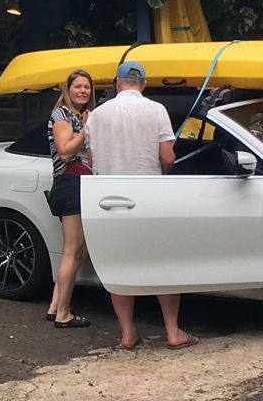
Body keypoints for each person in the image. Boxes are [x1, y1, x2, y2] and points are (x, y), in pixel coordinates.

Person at [86, 61, 198, 351]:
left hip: (108, 198)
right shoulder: (156, 110)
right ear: (143, 84)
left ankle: (127, 334)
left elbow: (89, 159)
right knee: (162, 262)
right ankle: (173, 332)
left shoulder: (97, 114)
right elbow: (168, 157)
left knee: (118, 265)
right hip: (149, 195)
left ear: (117, 82)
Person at [44, 69, 95, 329]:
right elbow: (65, 153)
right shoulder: (62, 115)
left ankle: (55, 306)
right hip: (70, 183)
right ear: (68, 89)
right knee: (71, 251)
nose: (83, 91)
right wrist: (86, 132)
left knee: (79, 252)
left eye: (87, 87)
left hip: (80, 183)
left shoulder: (79, 115)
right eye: (78, 86)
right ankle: (63, 314)